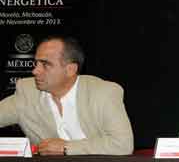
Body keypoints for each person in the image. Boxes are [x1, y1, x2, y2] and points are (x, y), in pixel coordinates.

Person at [0, 36, 134, 155]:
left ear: (70, 69)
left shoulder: (103, 92)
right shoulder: (27, 93)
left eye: (45, 64)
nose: (35, 71)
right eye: (36, 63)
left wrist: (67, 148)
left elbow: (123, 144)